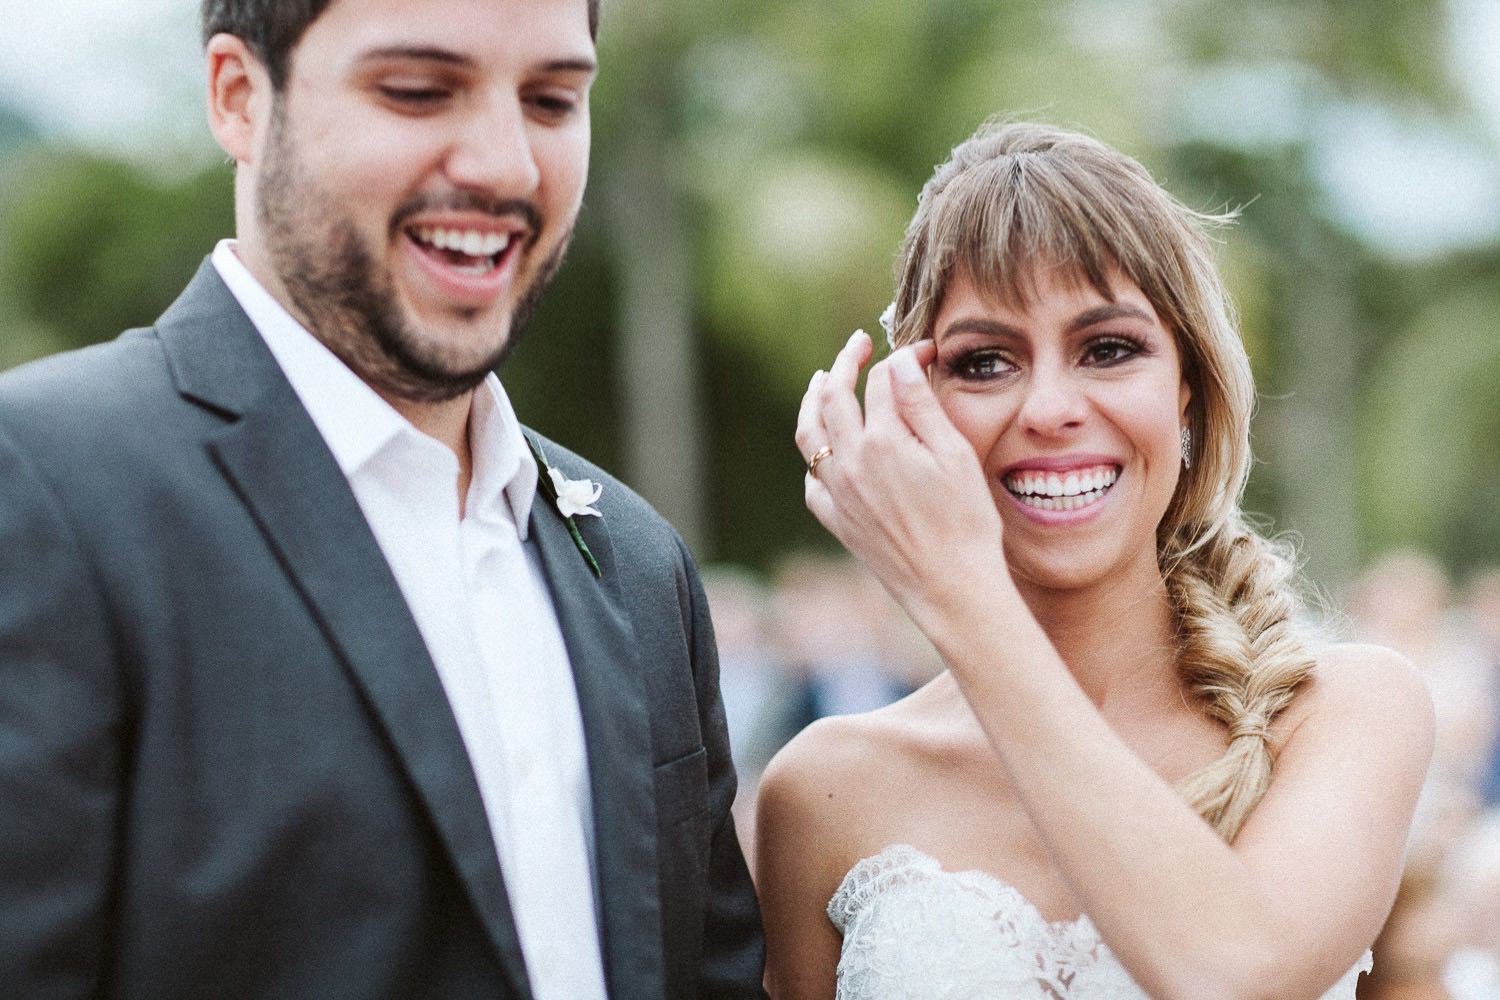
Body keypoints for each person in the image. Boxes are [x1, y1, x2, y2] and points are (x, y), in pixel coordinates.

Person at [0, 1, 763, 997]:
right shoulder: (42, 484)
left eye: (551, 98)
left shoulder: (636, 557)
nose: (505, 167)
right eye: (417, 90)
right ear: (240, 98)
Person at [756, 120, 1434, 1000]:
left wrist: (960, 597)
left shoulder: (1346, 713)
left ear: (1188, 387)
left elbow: (1236, 974)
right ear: (912, 402)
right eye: (985, 361)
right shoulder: (822, 790)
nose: (1049, 407)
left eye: (1108, 349)